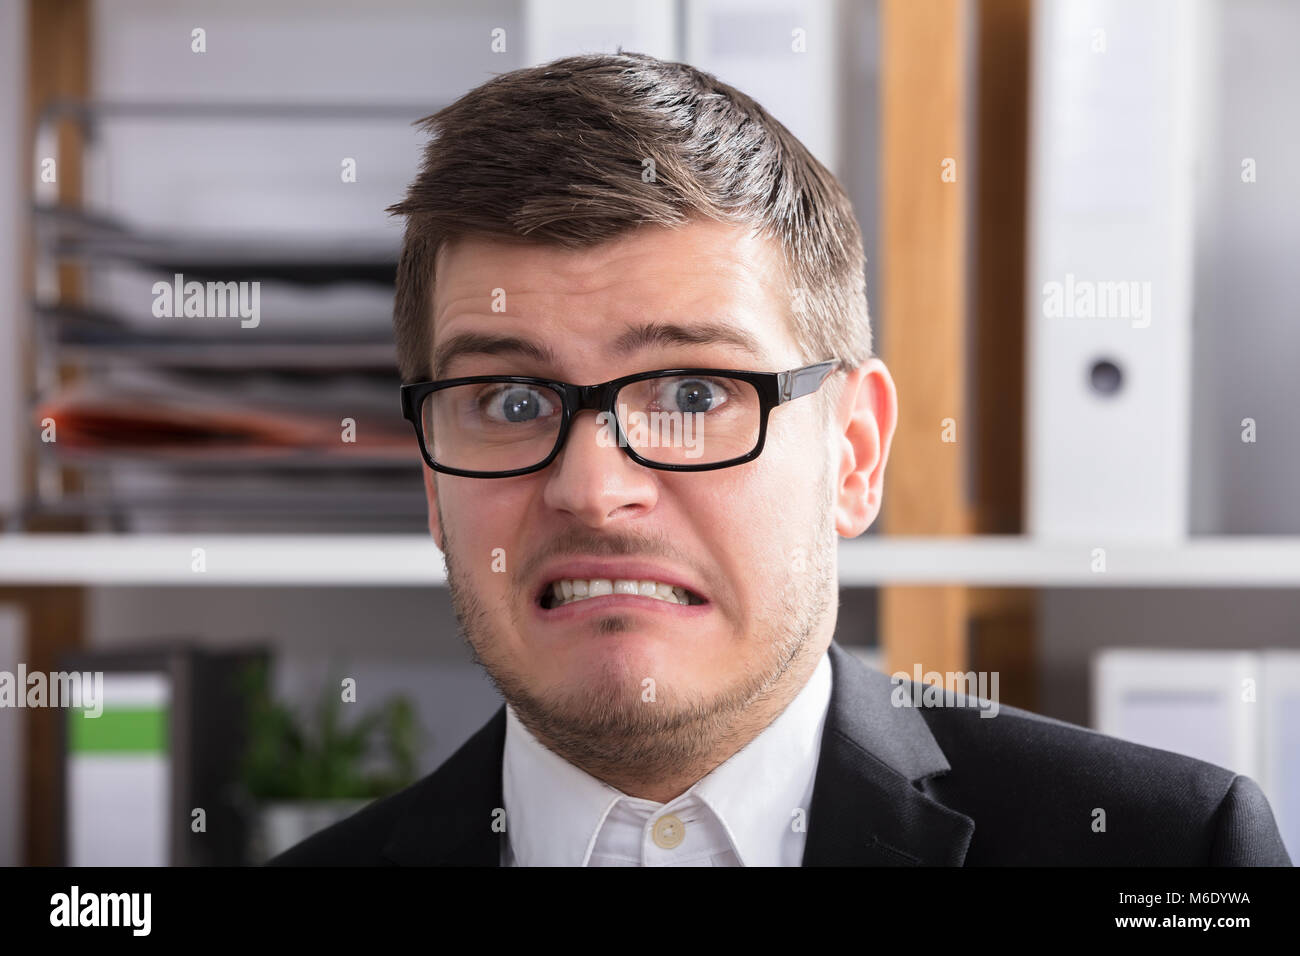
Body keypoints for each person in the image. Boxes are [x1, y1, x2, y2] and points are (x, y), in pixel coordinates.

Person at [270, 52, 1290, 867]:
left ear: (853, 451)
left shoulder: (1169, 851)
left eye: (693, 392)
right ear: (434, 485)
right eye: (510, 399)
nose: (593, 489)